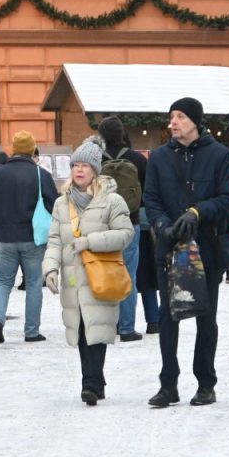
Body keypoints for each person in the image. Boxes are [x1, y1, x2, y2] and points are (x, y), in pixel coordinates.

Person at [143, 97, 229, 408]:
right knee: (168, 317)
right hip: (169, 249)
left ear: (196, 122)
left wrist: (198, 212)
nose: (173, 122)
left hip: (206, 249)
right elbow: (151, 198)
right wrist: (162, 224)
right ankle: (168, 384)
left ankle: (205, 383)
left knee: (205, 318)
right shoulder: (158, 157)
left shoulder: (219, 155)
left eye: (180, 117)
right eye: (171, 116)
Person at [43, 140, 134, 405]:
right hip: (73, 276)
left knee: (97, 326)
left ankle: (91, 383)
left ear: (95, 170)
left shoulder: (112, 200)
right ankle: (95, 379)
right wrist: (49, 268)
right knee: (81, 328)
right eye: (75, 165)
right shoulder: (62, 203)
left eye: (84, 165)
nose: (79, 170)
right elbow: (54, 240)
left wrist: (90, 242)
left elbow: (125, 234)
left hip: (100, 274)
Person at [0, 131, 58, 344]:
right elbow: (54, 204)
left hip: (5, 237)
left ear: (14, 148)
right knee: (34, 283)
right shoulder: (40, 174)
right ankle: (31, 331)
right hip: (33, 237)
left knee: (2, 281)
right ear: (32, 149)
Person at [96, 116, 148, 341]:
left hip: (101, 225)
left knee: (105, 273)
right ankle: (127, 328)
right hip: (130, 223)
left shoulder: (95, 160)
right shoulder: (137, 159)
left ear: (102, 136)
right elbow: (146, 192)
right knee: (128, 274)